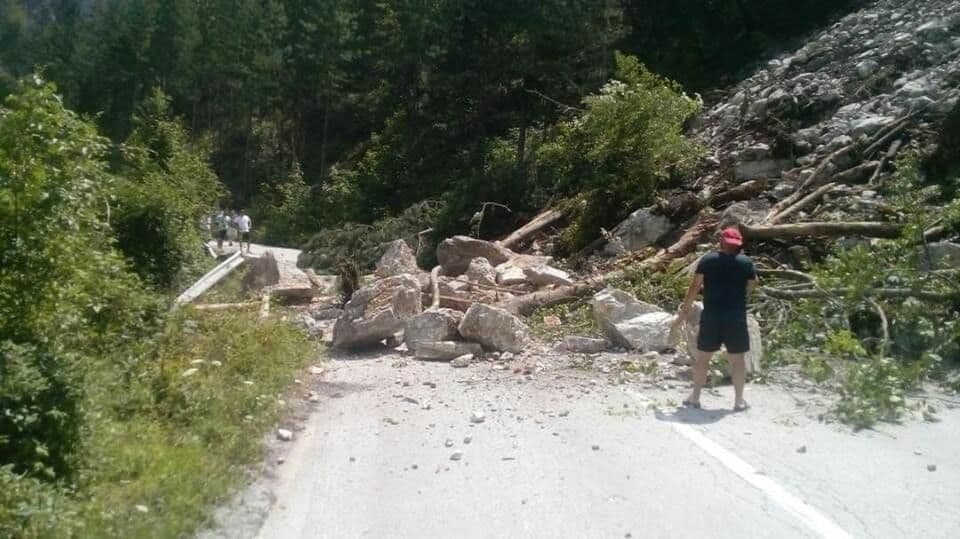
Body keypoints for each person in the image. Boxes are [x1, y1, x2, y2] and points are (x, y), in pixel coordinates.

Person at [673, 227, 758, 411]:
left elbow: (694, 287)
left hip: (712, 316)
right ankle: (739, 401)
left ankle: (695, 397)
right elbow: (753, 284)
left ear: (721, 241)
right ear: (738, 245)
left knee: (703, 358)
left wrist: (684, 311)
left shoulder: (708, 260)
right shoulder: (746, 262)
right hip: (735, 317)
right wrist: (740, 296)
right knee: (737, 360)